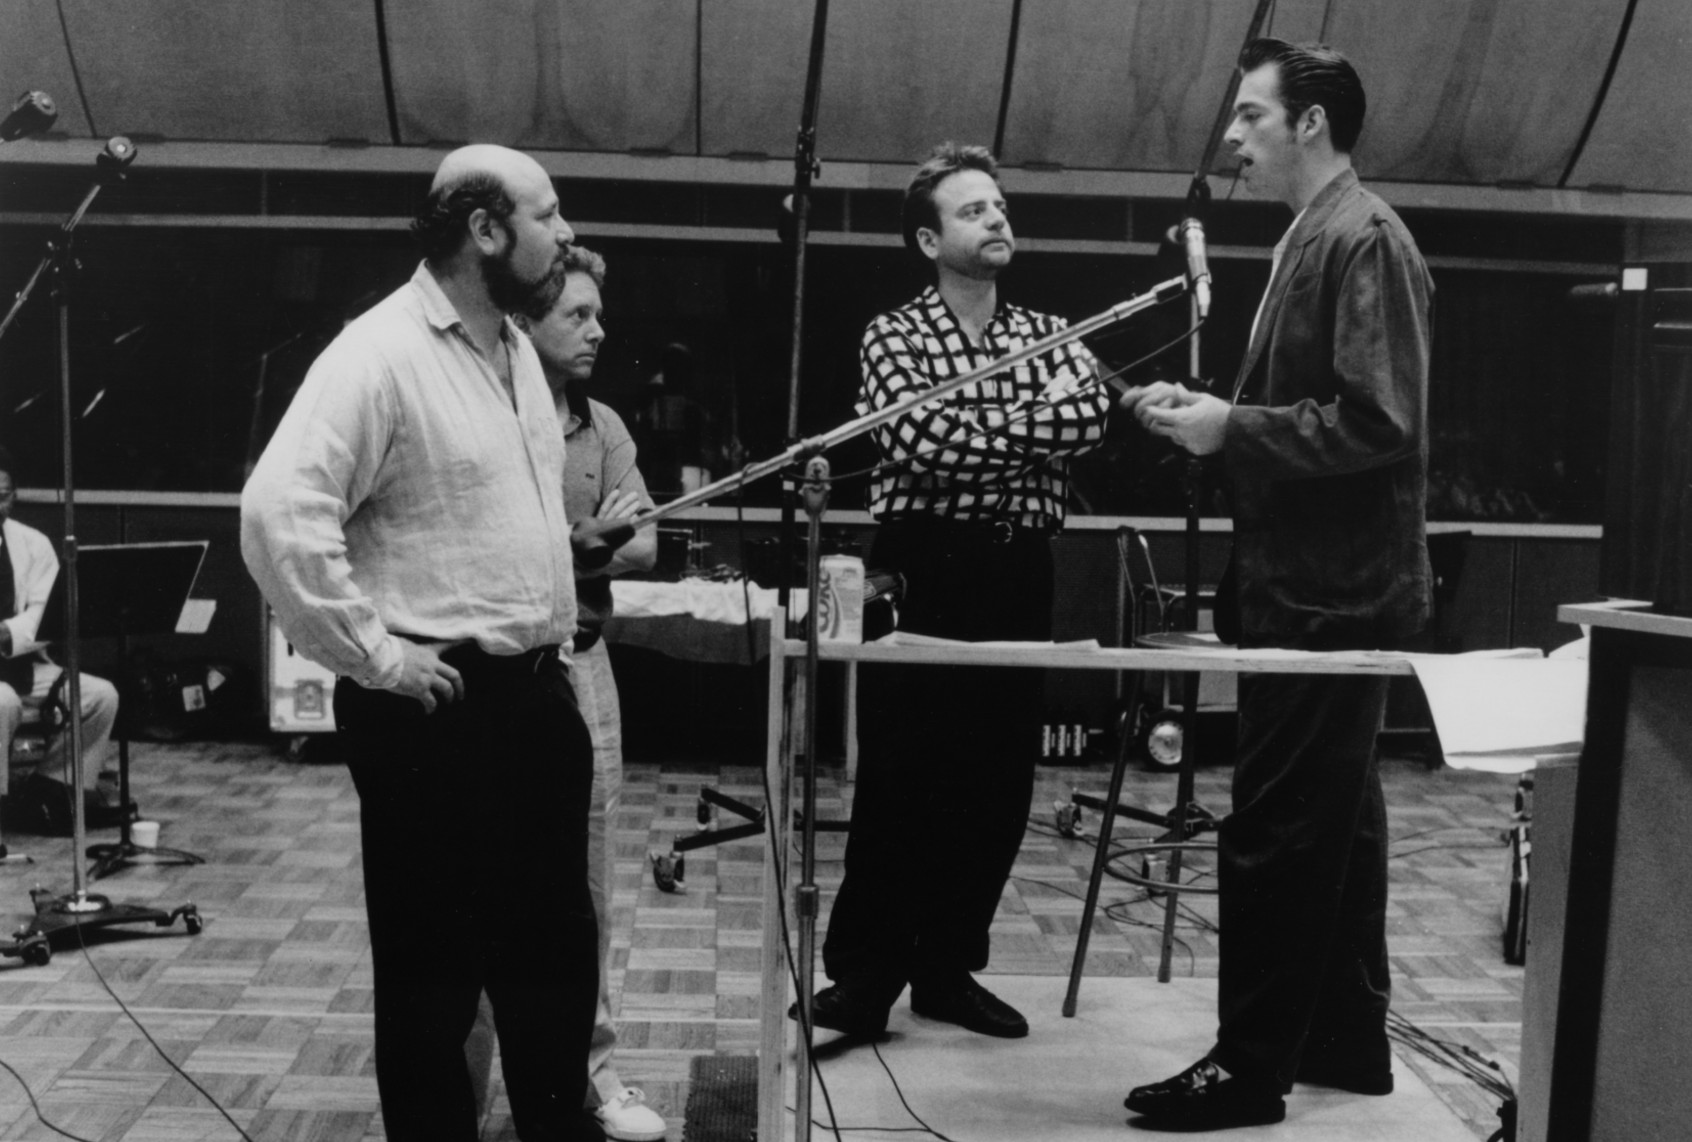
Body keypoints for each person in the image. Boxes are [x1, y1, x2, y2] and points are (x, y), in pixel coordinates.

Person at [242, 144, 608, 1142]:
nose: (565, 233)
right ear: (485, 229)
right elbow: (279, 510)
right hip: (435, 709)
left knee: (553, 958)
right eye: (549, 212)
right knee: (432, 975)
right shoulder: (377, 352)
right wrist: (373, 654)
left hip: (534, 696)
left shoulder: (517, 352)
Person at [1121, 39, 1433, 1131]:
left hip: (1329, 595)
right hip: (1313, 588)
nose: (1232, 139)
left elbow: (1380, 421)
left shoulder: (1363, 238)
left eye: (1251, 117)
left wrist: (1228, 427)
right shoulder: (1324, 233)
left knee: (1279, 827)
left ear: (1310, 124)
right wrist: (1216, 421)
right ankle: (1344, 1040)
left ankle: (1248, 1068)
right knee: (1335, 826)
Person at [801, 142, 1113, 1040]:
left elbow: (1086, 417)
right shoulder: (893, 334)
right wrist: (1024, 428)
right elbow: (917, 444)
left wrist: (977, 424)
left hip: (1019, 570)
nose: (998, 220)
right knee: (903, 776)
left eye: (1000, 206)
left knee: (996, 780)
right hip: (925, 565)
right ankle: (865, 980)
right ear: (929, 240)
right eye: (974, 211)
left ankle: (946, 969)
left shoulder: (1047, 331)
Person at [515, 246, 666, 1142]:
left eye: (598, 314)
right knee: (499, 884)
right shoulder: (495, 419)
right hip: (507, 669)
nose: (598, 330)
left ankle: (590, 1066)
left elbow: (642, 542)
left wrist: (581, 544)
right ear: (523, 325)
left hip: (585, 665)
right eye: (577, 315)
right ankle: (483, 1077)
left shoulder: (602, 424)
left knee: (590, 875)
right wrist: (576, 538)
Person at [0, 448, 126, 837]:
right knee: (1, 702)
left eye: (3, 493)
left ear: (14, 495)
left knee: (100, 696)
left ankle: (51, 792)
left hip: (21, 664)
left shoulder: (32, 542)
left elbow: (46, 613)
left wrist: (6, 634)